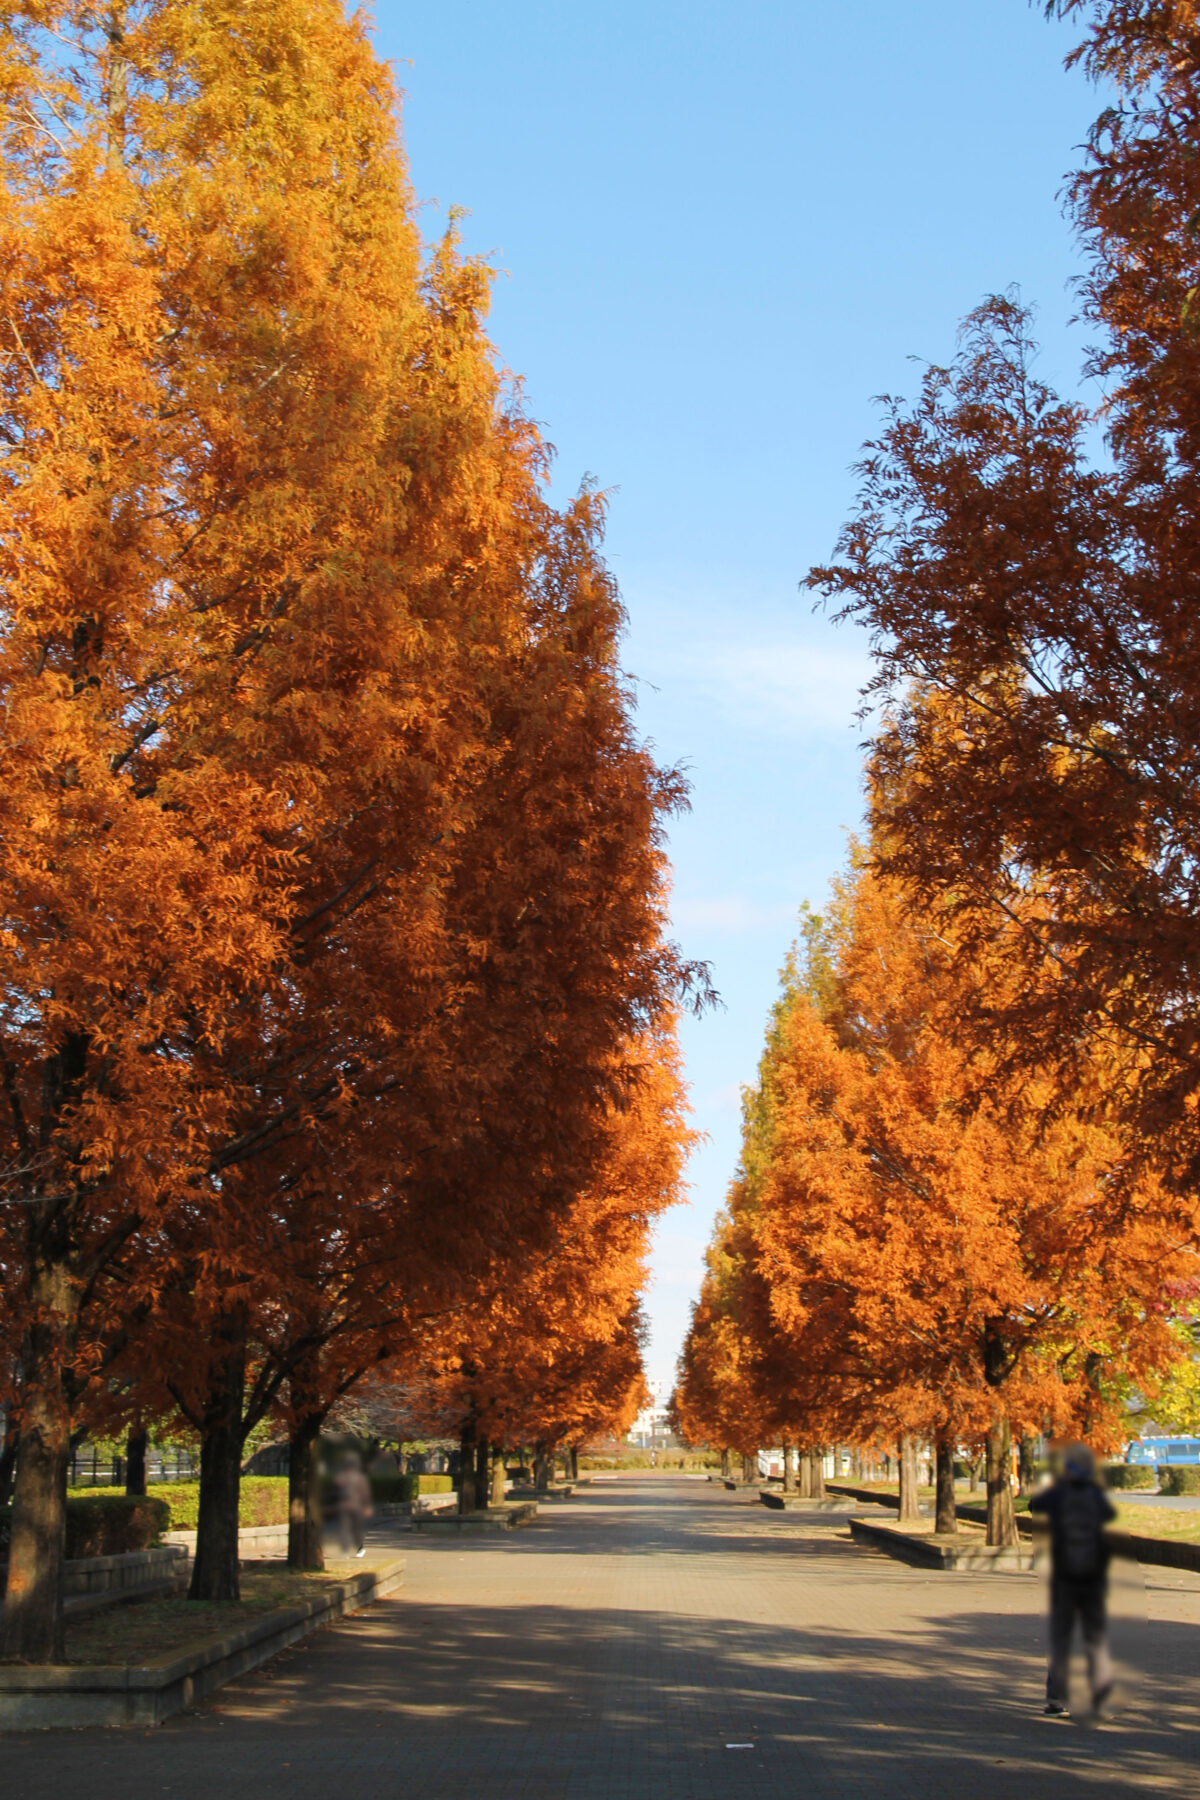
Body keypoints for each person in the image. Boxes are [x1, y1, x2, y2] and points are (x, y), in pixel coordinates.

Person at [1029, 1444, 1116, 1717]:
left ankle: (1056, 1698)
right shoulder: (1095, 1495)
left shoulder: (1055, 1494)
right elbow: (1109, 1516)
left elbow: (1034, 1505)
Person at [331, 1450, 372, 1558]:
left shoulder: (340, 1477)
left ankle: (345, 1551)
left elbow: (333, 1492)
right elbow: (365, 1493)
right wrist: (367, 1506)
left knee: (344, 1528)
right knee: (357, 1529)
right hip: (356, 1506)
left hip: (343, 1506)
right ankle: (360, 1549)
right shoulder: (360, 1477)